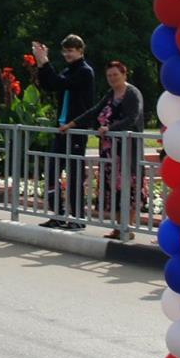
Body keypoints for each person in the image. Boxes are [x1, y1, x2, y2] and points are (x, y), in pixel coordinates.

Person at [64, 59, 146, 240]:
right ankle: (118, 227)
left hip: (127, 149)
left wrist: (111, 129)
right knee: (113, 187)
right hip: (110, 150)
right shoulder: (111, 94)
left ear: (124, 74)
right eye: (109, 75)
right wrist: (72, 123)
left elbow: (132, 117)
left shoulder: (132, 93)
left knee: (128, 186)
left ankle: (128, 227)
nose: (112, 78)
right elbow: (94, 110)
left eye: (116, 74)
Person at [33, 35, 96, 229]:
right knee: (52, 172)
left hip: (76, 129)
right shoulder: (68, 71)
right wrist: (42, 65)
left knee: (74, 173)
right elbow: (50, 84)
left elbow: (62, 84)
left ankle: (77, 218)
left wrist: (45, 62)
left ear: (80, 51)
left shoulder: (85, 72)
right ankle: (58, 214)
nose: (68, 54)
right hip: (61, 128)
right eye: (65, 50)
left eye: (71, 50)